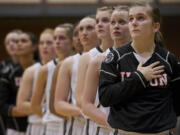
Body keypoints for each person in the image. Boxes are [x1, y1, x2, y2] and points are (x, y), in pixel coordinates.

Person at [99, 1, 180, 135]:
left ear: (155, 26)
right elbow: (105, 97)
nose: (134, 22)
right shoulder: (115, 57)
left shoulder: (169, 60)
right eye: (131, 19)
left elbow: (177, 102)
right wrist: (138, 78)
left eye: (140, 18)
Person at [82, 5, 131, 135]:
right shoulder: (98, 60)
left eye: (121, 22)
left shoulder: (146, 58)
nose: (116, 26)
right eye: (113, 22)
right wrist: (112, 122)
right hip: (105, 129)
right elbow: (86, 104)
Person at [54, 16, 100, 135]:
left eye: (89, 28)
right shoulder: (69, 62)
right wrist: (88, 110)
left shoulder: (109, 56)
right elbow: (58, 104)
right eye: (80, 29)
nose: (84, 33)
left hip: (102, 124)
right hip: (76, 126)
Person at [30, 23, 74, 135]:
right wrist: (49, 115)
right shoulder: (45, 69)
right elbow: (34, 105)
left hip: (76, 123)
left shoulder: (79, 62)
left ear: (72, 40)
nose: (57, 41)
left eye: (62, 38)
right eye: (55, 38)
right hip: (53, 125)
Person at [16, 28, 56, 135]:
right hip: (37, 126)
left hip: (60, 124)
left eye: (49, 43)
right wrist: (46, 107)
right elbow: (20, 105)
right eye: (41, 43)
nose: (44, 46)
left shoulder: (64, 67)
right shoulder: (31, 71)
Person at [0, 31, 38, 135]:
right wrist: (29, 110)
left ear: (34, 46)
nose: (19, 44)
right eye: (17, 42)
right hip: (16, 129)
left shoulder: (42, 69)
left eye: (23, 41)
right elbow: (2, 105)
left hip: (39, 125)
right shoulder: (9, 73)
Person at [0, 29, 22, 135]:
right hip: (10, 121)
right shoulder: (2, 68)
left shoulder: (36, 65)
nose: (11, 44)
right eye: (7, 43)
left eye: (14, 41)